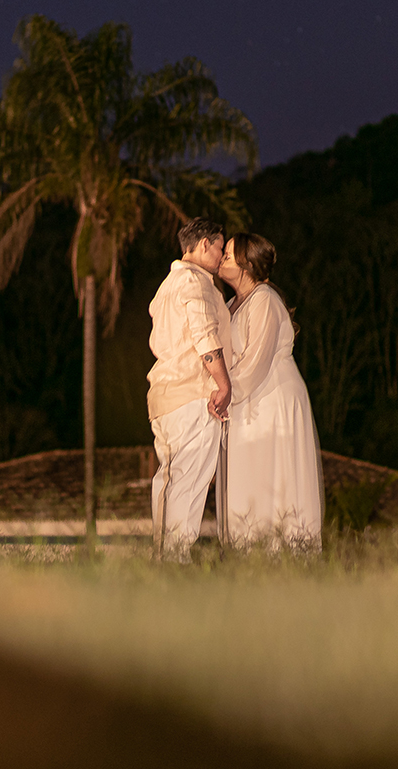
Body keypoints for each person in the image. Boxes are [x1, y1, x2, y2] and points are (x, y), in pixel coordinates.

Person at [216, 232, 323, 550]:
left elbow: (256, 361)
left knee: (270, 474)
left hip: (270, 397)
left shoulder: (264, 299)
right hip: (243, 398)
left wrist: (225, 395)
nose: (221, 258)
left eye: (228, 254)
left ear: (246, 263)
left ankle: (278, 553)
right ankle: (245, 551)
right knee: (247, 475)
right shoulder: (231, 303)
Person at [145, 217, 233, 558]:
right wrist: (223, 384)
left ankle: (165, 555)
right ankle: (174, 559)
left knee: (170, 479)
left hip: (166, 394)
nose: (222, 256)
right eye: (220, 248)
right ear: (203, 245)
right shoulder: (194, 283)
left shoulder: (168, 285)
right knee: (189, 480)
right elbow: (203, 334)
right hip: (193, 393)